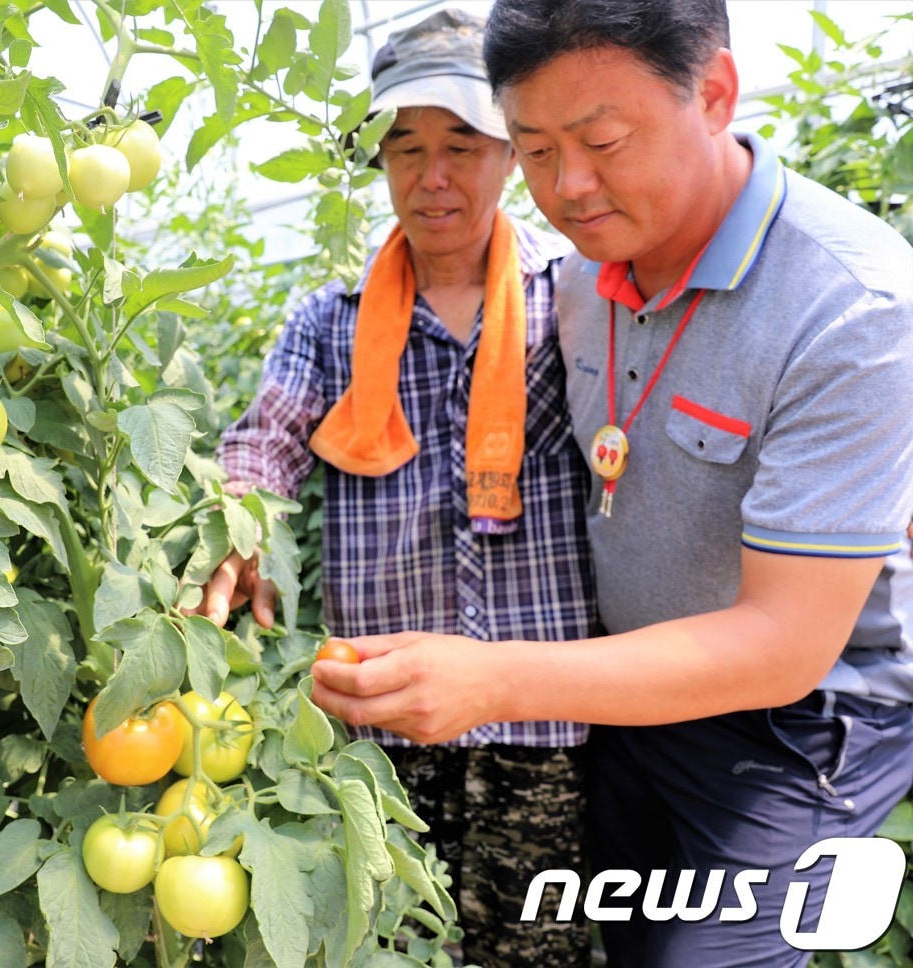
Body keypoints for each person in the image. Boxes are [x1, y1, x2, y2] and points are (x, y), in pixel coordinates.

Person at [309, 1, 913, 966]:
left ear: (714, 93)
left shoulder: (853, 309)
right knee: (622, 943)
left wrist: (494, 678)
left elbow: (785, 645)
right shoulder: (585, 279)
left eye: (602, 142)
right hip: (630, 691)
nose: (568, 189)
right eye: (538, 150)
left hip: (797, 727)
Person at [196, 10, 598, 966]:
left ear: (509, 152)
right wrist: (240, 523)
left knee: (536, 947)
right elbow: (267, 441)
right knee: (385, 939)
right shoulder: (329, 324)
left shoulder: (575, 298)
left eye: (462, 145)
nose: (432, 177)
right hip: (378, 708)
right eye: (405, 148)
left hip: (544, 716)